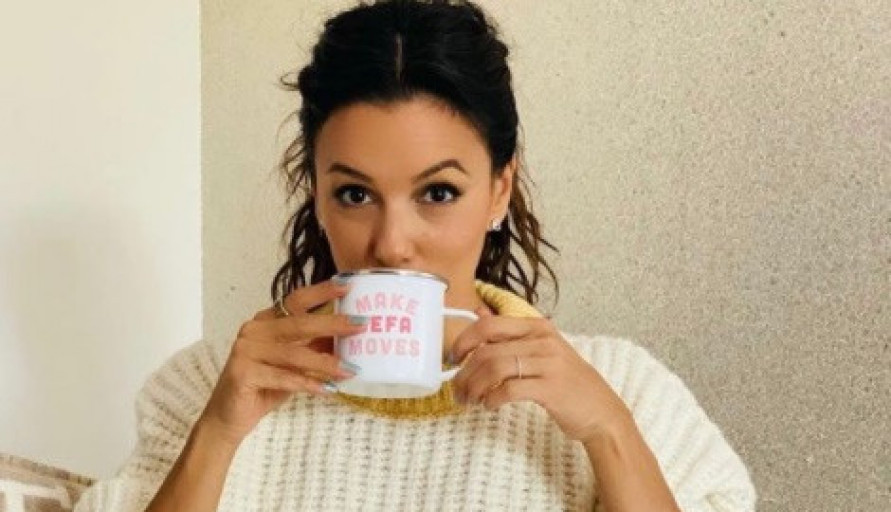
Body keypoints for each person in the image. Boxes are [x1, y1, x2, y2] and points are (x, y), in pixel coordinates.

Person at [75, 1, 756, 510]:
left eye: (437, 192)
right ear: (316, 197)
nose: (392, 244)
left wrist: (609, 432)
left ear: (499, 191)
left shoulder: (625, 389)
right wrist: (219, 433)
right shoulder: (204, 388)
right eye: (354, 194)